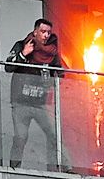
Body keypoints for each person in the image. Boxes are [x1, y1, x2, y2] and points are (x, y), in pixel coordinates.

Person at [4, 18, 66, 169]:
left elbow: (61, 74)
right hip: (20, 102)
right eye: (43, 31)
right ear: (35, 31)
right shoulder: (22, 45)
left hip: (41, 103)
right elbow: (8, 66)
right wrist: (24, 54)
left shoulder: (52, 53)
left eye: (48, 32)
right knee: (20, 137)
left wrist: (51, 80)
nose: (46, 35)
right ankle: (14, 170)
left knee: (53, 135)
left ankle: (58, 169)